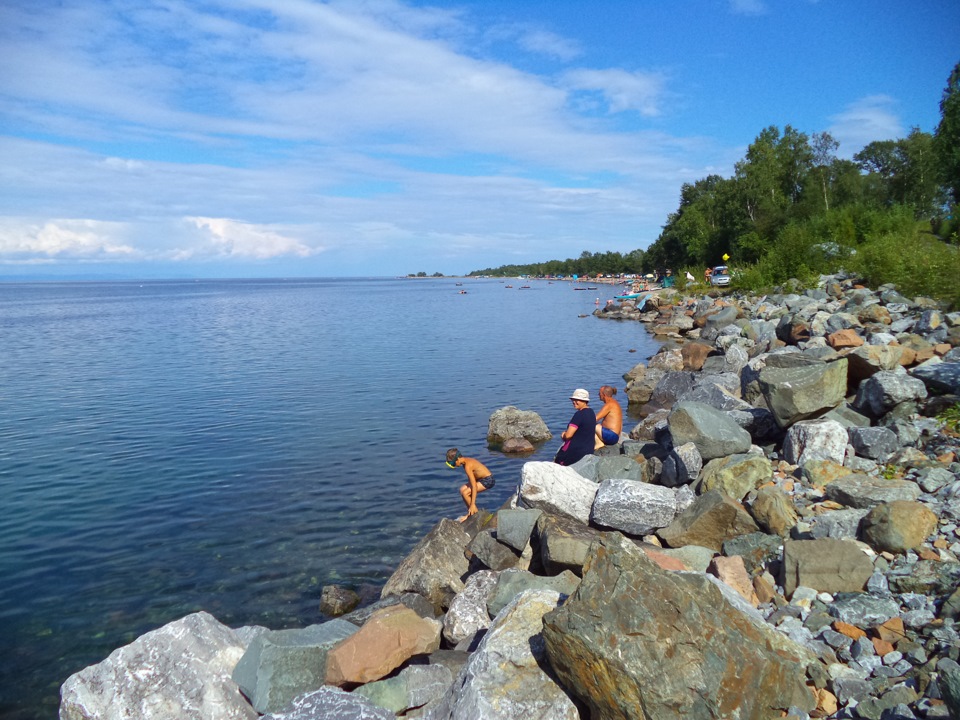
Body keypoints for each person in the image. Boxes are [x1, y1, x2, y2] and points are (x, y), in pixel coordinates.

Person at [445, 448, 495, 522]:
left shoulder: (468, 466)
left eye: (453, 463)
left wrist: (473, 503)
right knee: (462, 489)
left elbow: (474, 485)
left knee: (466, 493)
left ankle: (475, 514)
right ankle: (471, 512)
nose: (454, 466)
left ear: (458, 458)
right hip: (480, 479)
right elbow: (472, 481)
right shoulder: (465, 463)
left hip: (488, 480)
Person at [553, 388, 597, 466]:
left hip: (576, 452)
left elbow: (569, 435)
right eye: (573, 400)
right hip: (589, 450)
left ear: (585, 401)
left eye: (577, 400)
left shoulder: (579, 415)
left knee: (556, 463)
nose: (574, 402)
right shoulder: (591, 412)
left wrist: (563, 434)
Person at [594, 385, 623, 450]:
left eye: (599, 393)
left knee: (590, 423)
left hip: (611, 436)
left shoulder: (609, 405)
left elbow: (595, 419)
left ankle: (599, 443)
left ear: (604, 394)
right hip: (615, 436)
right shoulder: (615, 403)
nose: (598, 395)